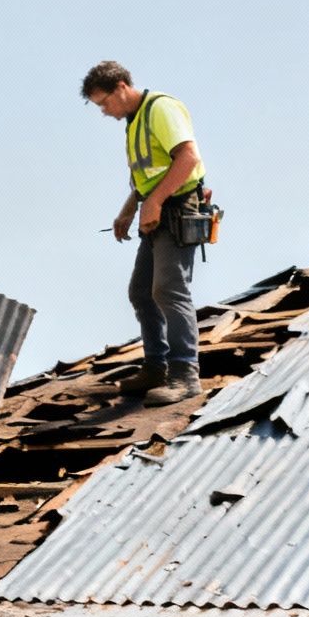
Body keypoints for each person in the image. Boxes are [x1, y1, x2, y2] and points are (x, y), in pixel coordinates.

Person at [82, 59, 209, 406]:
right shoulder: (133, 122)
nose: (104, 111)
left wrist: (153, 203)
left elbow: (187, 158)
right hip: (157, 211)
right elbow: (148, 174)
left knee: (169, 289)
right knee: (141, 292)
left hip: (179, 209)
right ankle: (156, 367)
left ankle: (184, 375)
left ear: (122, 86)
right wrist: (129, 207)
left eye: (105, 102)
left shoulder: (161, 108)